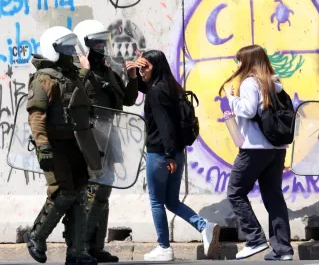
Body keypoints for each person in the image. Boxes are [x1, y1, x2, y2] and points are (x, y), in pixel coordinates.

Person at [124, 50, 220, 261]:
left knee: (157, 201)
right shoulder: (169, 86)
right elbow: (145, 88)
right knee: (171, 201)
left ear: (155, 67)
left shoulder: (157, 92)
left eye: (145, 67)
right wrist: (134, 74)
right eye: (141, 67)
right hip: (176, 153)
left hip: (161, 154)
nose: (142, 71)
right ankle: (204, 226)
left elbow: (165, 126)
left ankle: (164, 248)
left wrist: (167, 157)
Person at [23, 26, 100, 265]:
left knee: (78, 195)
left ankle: (77, 252)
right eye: (65, 47)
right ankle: (36, 236)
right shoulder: (44, 78)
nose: (70, 51)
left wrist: (86, 72)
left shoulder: (70, 74)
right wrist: (43, 146)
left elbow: (77, 96)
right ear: (52, 49)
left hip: (74, 144)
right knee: (63, 192)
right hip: (54, 146)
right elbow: (36, 114)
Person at [71, 19, 139, 263]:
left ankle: (96, 246)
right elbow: (70, 98)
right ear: (86, 46)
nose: (102, 48)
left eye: (103, 43)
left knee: (104, 193)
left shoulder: (108, 70)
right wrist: (84, 70)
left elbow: (128, 100)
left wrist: (132, 77)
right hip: (90, 142)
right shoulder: (78, 72)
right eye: (97, 44)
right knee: (92, 194)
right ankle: (81, 247)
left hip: (110, 139)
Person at [218, 44, 294, 261]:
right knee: (274, 197)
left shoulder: (251, 82)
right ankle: (283, 249)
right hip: (276, 149)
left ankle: (254, 239)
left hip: (254, 148)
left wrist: (231, 99)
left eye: (240, 60)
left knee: (235, 191)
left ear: (249, 61)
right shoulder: (274, 83)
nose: (238, 64)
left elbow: (249, 110)